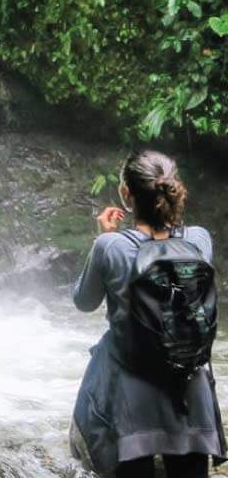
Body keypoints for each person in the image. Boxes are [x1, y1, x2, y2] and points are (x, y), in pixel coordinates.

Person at [70, 150, 226, 477]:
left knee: (105, 348)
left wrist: (105, 238)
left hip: (133, 405)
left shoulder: (111, 246)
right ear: (174, 189)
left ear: (126, 194)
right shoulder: (198, 240)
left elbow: (84, 302)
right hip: (191, 396)